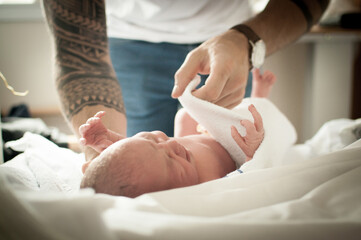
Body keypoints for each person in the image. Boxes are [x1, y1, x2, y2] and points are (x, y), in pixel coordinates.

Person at [42, 0, 329, 163]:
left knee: (160, 139)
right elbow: (251, 164)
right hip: (131, 40)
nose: (162, 142)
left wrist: (107, 144)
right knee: (245, 125)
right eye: (169, 160)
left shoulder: (176, 146)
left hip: (231, 32)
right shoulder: (201, 178)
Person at [79, 69, 276, 197]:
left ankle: (215, 98)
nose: (171, 144)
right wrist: (251, 154)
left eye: (154, 139)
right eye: (171, 159)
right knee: (251, 128)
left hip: (202, 133)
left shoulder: (152, 157)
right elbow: (248, 179)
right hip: (234, 149)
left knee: (184, 117)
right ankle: (259, 98)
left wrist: (107, 141)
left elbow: (135, 153)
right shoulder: (207, 186)